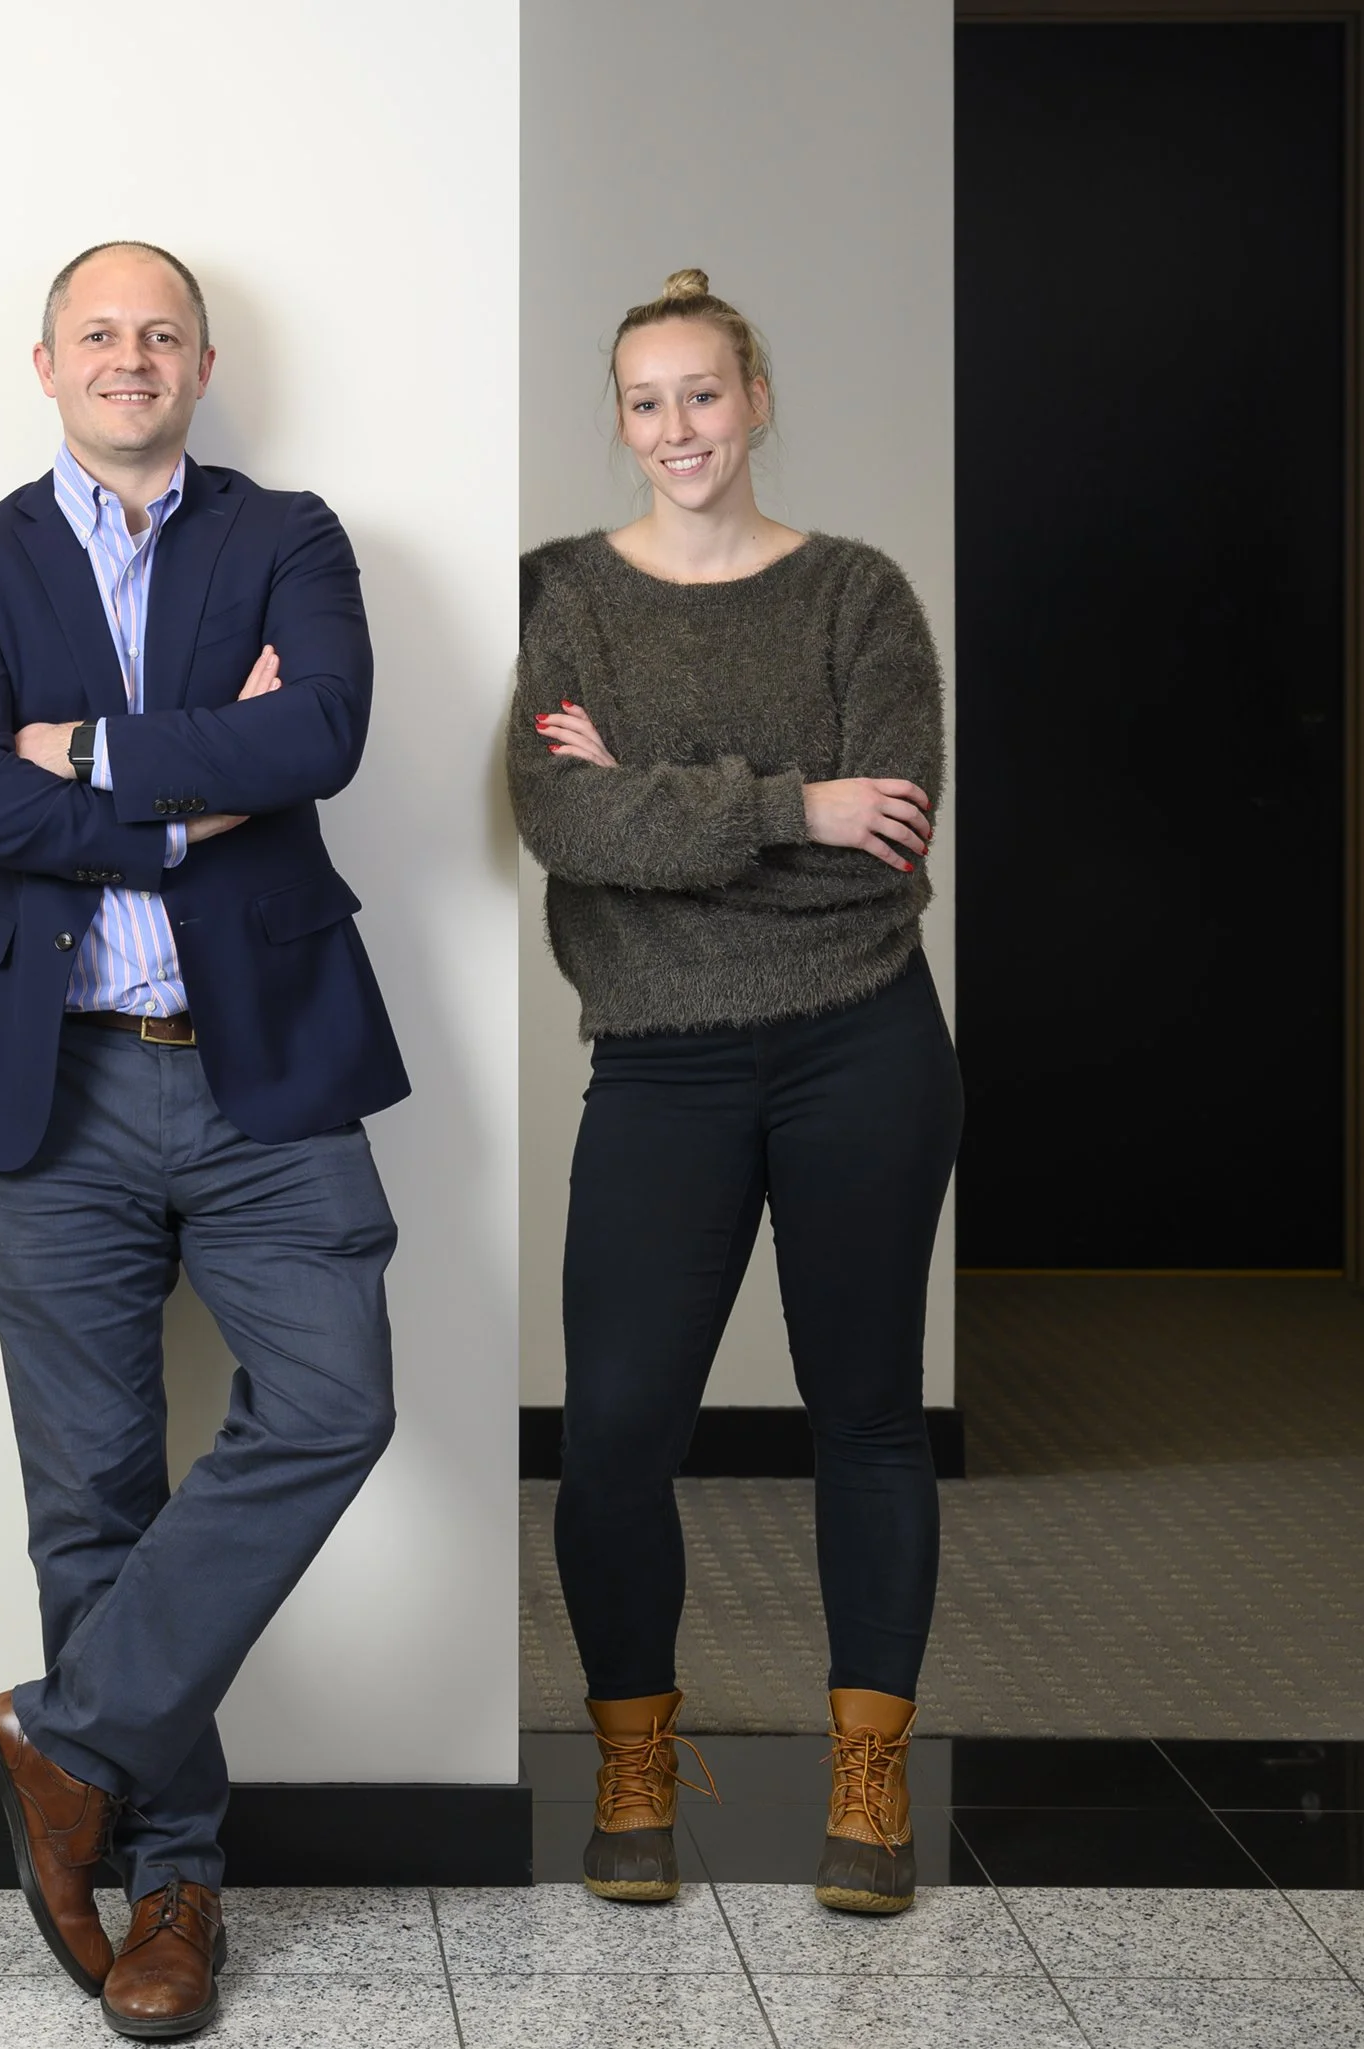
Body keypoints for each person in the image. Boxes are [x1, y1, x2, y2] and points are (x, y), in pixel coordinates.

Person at [0, 241, 407, 2038]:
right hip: (57, 1086)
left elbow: (326, 735)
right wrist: (196, 797)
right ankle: (170, 1884)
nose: (130, 358)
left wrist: (90, 756)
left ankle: (64, 1740)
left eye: (160, 334)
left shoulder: (291, 534)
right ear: (46, 365)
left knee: (337, 1399)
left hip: (266, 1065)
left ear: (199, 363)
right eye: (97, 334)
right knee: (92, 1492)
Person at [510, 269, 960, 1917]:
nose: (677, 429)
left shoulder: (861, 597)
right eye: (646, 401)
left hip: (863, 1042)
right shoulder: (564, 595)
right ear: (617, 419)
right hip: (659, 1065)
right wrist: (794, 804)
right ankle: (636, 1762)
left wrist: (668, 813)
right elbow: (565, 828)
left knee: (866, 1416)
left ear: (755, 402)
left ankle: (870, 1778)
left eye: (704, 394)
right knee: (618, 1435)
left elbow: (891, 848)